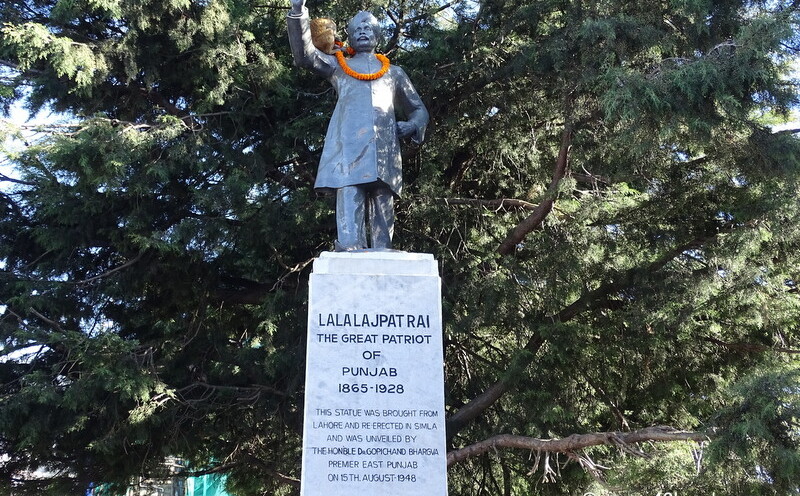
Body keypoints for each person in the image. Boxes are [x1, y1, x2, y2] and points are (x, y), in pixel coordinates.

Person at [287, 0, 429, 251]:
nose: (363, 32)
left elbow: (419, 110)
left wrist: (412, 125)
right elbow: (305, 56)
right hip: (348, 145)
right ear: (350, 37)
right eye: (357, 30)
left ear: (377, 36)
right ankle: (350, 245)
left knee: (383, 199)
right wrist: (298, 12)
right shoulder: (339, 66)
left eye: (368, 29)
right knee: (350, 192)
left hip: (384, 147)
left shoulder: (394, 72)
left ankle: (383, 249)